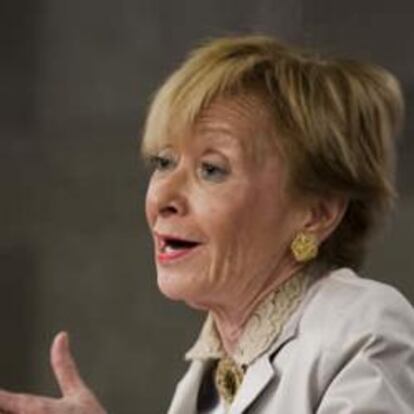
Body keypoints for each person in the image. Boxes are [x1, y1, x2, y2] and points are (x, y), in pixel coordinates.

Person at [0, 34, 413, 413]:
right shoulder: (204, 379)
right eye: (164, 162)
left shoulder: (365, 328)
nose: (162, 199)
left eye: (212, 170)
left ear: (317, 213)